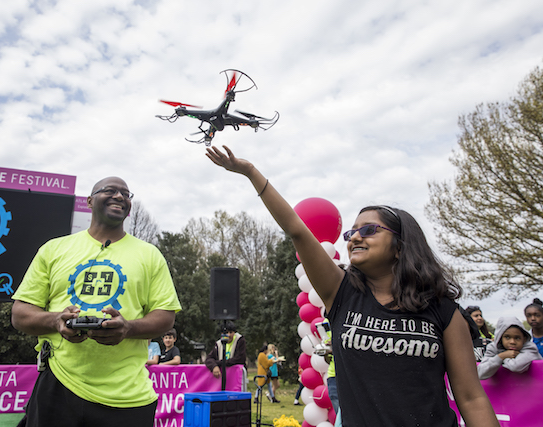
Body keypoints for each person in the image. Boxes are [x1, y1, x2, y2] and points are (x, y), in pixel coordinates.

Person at [206, 145, 499, 427]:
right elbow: (297, 229)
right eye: (351, 232)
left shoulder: (443, 310)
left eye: (369, 230)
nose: (355, 237)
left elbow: (471, 398)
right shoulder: (341, 292)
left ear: (400, 246)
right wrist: (250, 172)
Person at [11, 176, 182, 426]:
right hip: (58, 385)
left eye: (126, 194)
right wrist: (56, 320)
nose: (120, 197)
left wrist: (128, 328)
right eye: (110, 191)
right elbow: (20, 314)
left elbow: (166, 316)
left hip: (127, 396)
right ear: (90, 201)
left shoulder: (150, 254)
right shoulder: (53, 249)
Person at [477, 316, 542, 379]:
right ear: (500, 337)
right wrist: (501, 356)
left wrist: (504, 359)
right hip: (502, 388)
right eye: (507, 337)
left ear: (524, 339)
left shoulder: (530, 348)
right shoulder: (493, 348)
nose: (512, 342)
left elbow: (516, 366)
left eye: (517, 338)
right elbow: (480, 373)